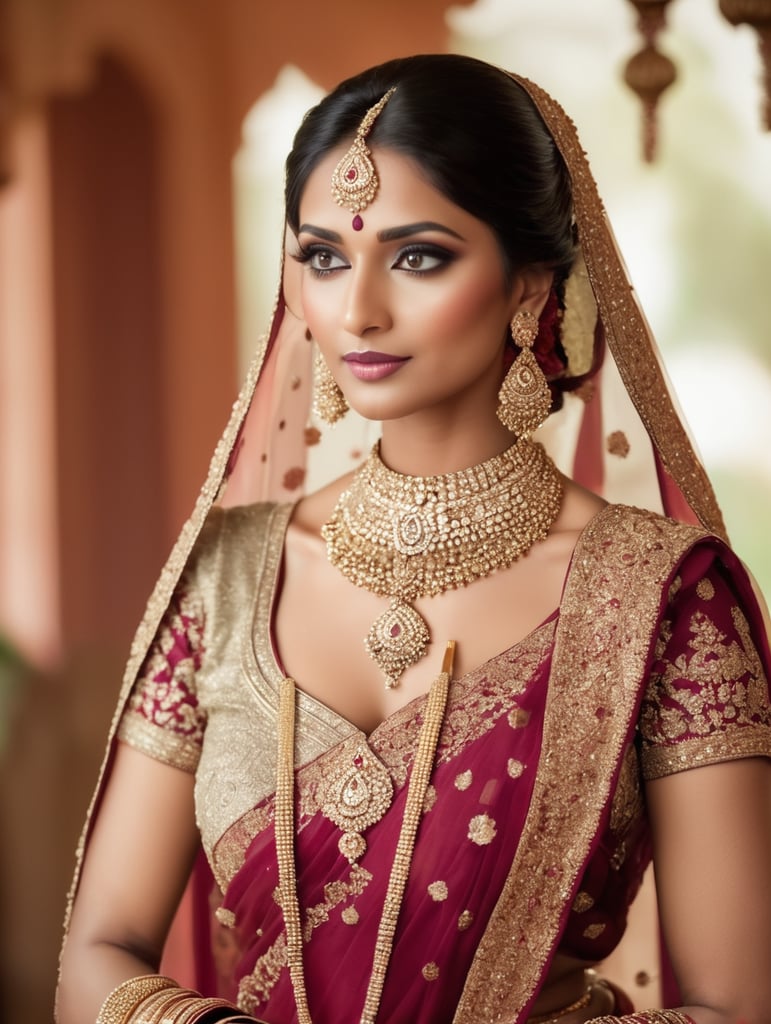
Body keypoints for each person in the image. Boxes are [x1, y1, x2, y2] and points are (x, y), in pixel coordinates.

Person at [56, 54, 771, 1024]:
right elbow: (98, 949)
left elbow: (742, 1003)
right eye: (323, 256)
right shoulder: (225, 577)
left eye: (419, 255)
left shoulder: (664, 599)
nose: (357, 309)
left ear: (530, 286)